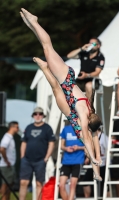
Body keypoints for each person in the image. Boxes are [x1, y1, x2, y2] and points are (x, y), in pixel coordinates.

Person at [20, 8, 102, 181]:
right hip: (66, 77)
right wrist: (94, 158)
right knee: (47, 47)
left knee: (49, 57)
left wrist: (96, 167)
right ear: (87, 121)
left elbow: (93, 143)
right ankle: (34, 22)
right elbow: (88, 139)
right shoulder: (82, 111)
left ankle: (33, 27)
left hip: (66, 95)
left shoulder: (87, 121)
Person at [19, 107, 55, 200]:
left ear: (43, 115)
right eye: (36, 114)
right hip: (26, 160)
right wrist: (22, 157)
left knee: (39, 183)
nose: (38, 116)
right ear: (33, 115)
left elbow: (51, 143)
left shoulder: (47, 128)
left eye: (40, 114)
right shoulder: (29, 127)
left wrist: (46, 158)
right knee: (23, 182)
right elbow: (23, 142)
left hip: (40, 160)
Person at [67, 37, 105, 113]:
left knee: (89, 85)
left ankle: (89, 108)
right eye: (90, 43)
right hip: (81, 79)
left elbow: (97, 72)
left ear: (98, 46)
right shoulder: (84, 53)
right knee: (68, 86)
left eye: (93, 43)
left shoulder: (100, 57)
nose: (91, 45)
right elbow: (69, 56)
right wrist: (81, 48)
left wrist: (87, 75)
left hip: (93, 80)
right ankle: (72, 108)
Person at [59, 124, 85, 200]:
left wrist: (78, 147)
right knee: (61, 185)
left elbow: (89, 145)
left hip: (78, 161)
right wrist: (66, 148)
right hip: (66, 161)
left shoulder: (83, 129)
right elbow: (62, 146)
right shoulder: (66, 129)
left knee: (72, 184)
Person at [83, 128, 109, 198]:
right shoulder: (90, 136)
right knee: (86, 181)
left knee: (105, 185)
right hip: (93, 164)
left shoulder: (104, 137)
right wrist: (88, 157)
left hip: (102, 164)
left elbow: (109, 151)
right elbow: (89, 149)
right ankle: (87, 197)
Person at [0, 121, 19, 200]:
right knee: (6, 184)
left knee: (10, 184)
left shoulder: (10, 137)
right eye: (17, 127)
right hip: (6, 165)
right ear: (12, 127)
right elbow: (2, 149)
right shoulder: (7, 137)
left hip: (10, 165)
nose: (18, 129)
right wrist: (6, 160)